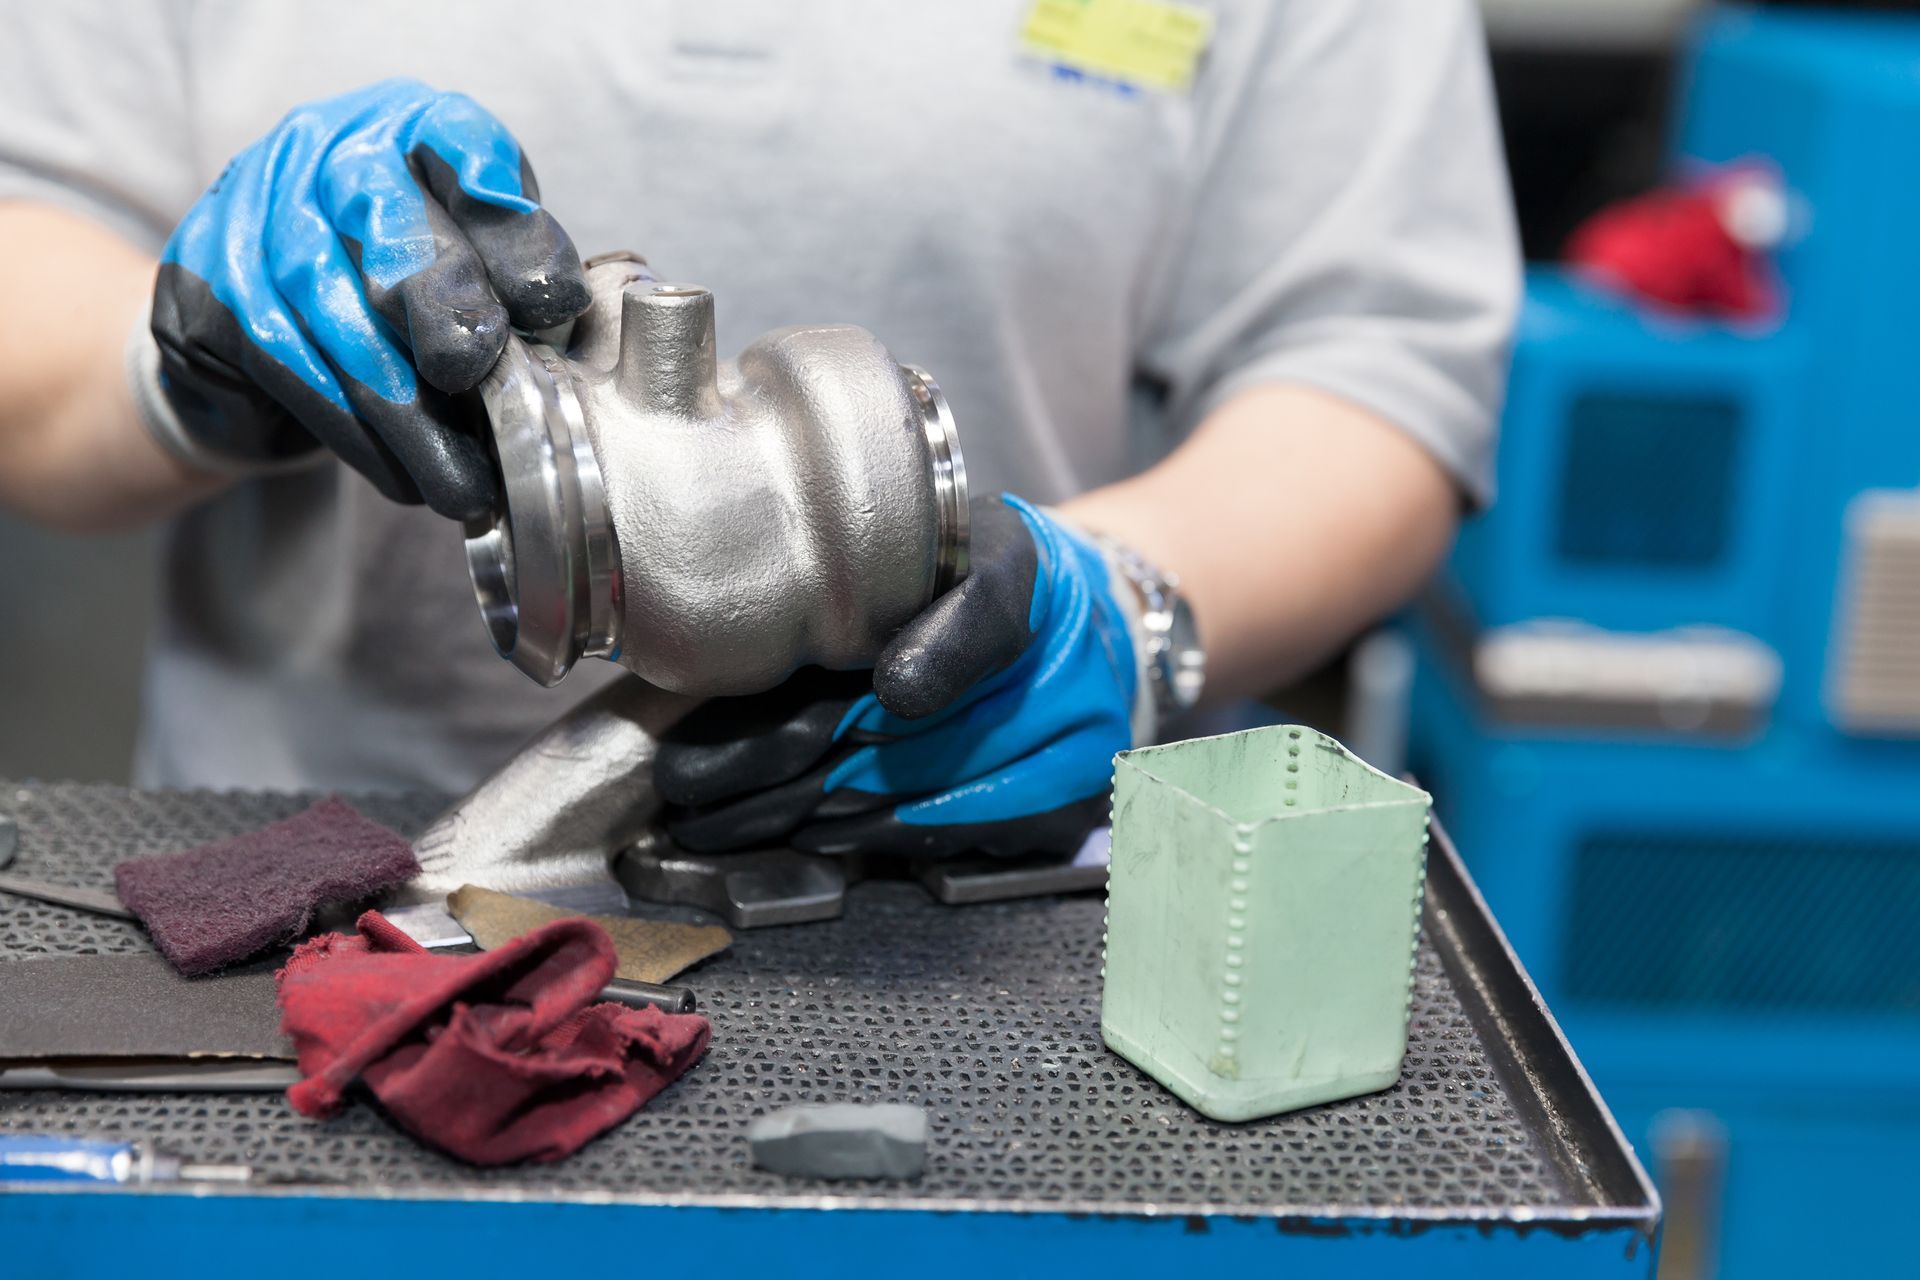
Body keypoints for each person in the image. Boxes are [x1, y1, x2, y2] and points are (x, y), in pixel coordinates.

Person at [0, 2, 1517, 858]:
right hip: (306, 869)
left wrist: (1128, 605)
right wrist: (200, 360)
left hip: (975, 901)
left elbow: (1378, 359)